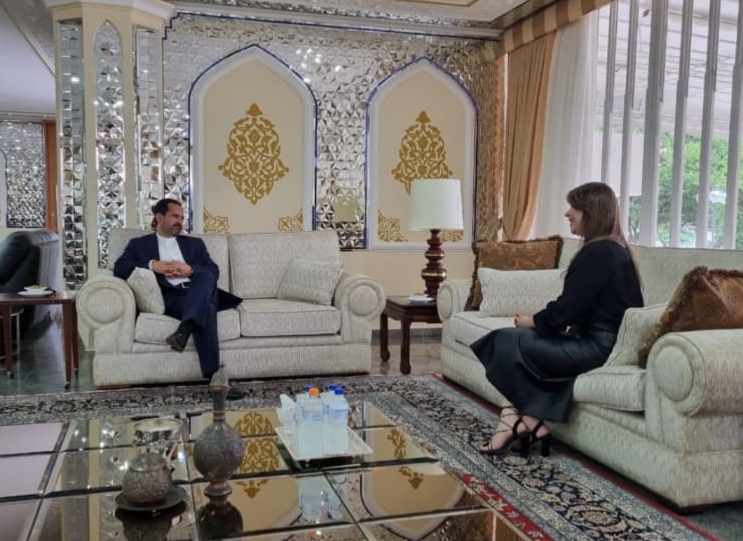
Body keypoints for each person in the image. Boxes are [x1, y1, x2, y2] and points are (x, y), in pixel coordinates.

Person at [470, 182, 643, 456]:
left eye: (574, 207)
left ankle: (510, 418)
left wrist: (532, 321)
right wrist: (540, 324)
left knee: (503, 340)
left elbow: (567, 310)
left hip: (596, 347)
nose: (567, 213)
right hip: (594, 342)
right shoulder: (610, 248)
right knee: (515, 341)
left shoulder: (601, 251)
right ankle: (530, 422)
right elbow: (574, 308)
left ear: (591, 212)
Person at [113, 198, 244, 400]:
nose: (180, 221)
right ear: (159, 217)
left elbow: (213, 270)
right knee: (207, 308)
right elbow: (119, 268)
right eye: (175, 216)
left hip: (199, 290)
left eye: (182, 218)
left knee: (206, 275)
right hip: (172, 297)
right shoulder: (139, 245)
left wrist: (190, 270)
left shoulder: (194, 244)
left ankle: (185, 330)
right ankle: (214, 378)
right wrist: (152, 265)